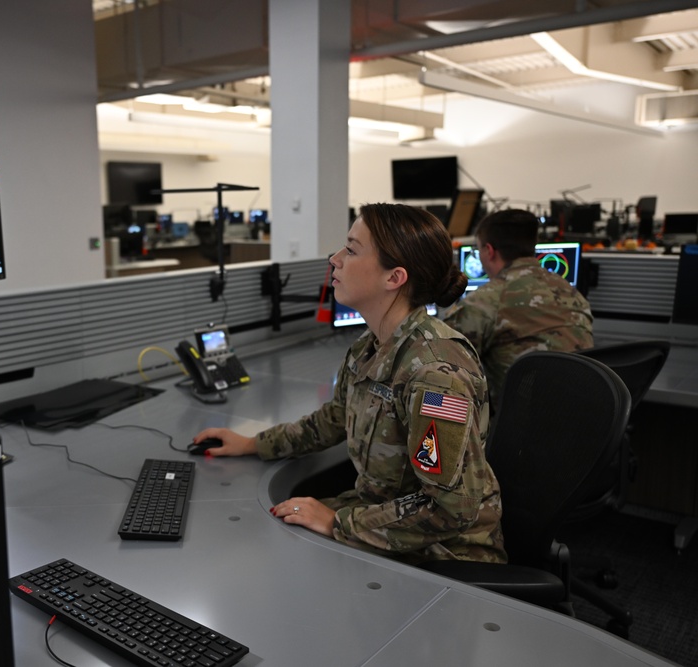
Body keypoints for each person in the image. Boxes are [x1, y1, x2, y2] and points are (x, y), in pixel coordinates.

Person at [193, 203, 506, 565]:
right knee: (254, 531)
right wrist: (251, 443)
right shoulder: (370, 347)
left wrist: (339, 523)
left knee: (267, 556)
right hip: (380, 519)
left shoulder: (436, 374)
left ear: (394, 278)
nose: (335, 259)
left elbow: (450, 511)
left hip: (442, 553)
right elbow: (333, 419)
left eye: (352, 250)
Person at [443, 208, 594, 410]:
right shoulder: (574, 295)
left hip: (518, 429)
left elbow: (442, 372)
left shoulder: (483, 303)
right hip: (583, 424)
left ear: (489, 251)